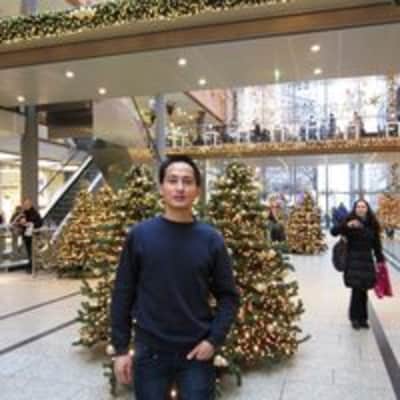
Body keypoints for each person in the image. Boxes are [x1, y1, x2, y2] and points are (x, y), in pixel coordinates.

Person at [111, 155, 239, 399]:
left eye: (187, 181)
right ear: (161, 187)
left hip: (197, 353)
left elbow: (229, 297)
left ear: (197, 190)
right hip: (149, 352)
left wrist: (213, 341)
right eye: (172, 180)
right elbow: (123, 293)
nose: (180, 187)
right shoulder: (140, 235)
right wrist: (120, 349)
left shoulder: (211, 239)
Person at [331, 199, 384, 330]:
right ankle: (355, 318)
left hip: (367, 261)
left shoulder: (372, 224)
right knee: (356, 290)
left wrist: (380, 260)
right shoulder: (350, 221)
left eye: (363, 207)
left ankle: (363, 318)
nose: (361, 209)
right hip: (353, 260)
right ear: (355, 209)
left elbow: (377, 244)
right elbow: (334, 231)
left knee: (364, 290)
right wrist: (347, 225)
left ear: (367, 209)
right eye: (358, 207)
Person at [18, 198, 43, 273]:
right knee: (29, 252)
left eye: (27, 204)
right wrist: (21, 223)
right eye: (25, 204)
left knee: (33, 252)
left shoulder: (35, 213)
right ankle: (31, 266)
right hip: (26, 236)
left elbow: (39, 223)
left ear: (30, 204)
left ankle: (32, 267)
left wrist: (30, 223)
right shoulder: (23, 213)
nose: (26, 206)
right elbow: (18, 222)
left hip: (33, 236)